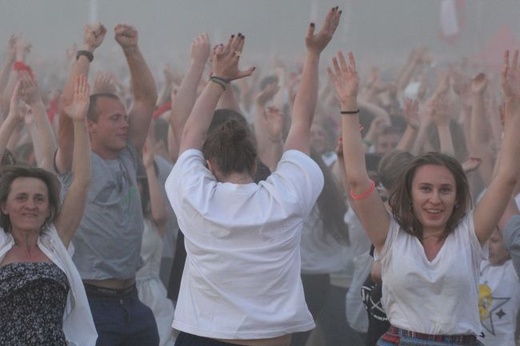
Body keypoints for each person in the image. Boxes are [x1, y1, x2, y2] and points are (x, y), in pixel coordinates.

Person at [165, 7, 341, 345]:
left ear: (210, 164)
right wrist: (313, 53)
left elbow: (189, 131)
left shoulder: (197, 197)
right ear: (255, 159)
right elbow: (302, 120)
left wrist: (217, 78)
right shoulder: (284, 197)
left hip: (203, 336)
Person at [328, 47, 520, 345]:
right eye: (425, 189)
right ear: (410, 194)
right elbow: (356, 179)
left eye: (445, 190)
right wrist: (348, 104)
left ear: (458, 197)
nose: (435, 199)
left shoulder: (470, 235)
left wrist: (512, 103)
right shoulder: (388, 236)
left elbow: (506, 178)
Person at [55, 22, 160, 344]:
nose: (125, 123)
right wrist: (87, 51)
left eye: (124, 118)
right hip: (91, 301)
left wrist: (131, 49)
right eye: (115, 118)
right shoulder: (76, 159)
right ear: (89, 125)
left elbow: (145, 99)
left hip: (132, 296)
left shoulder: (128, 154)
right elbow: (67, 106)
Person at [0, 75, 97, 345]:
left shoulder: (55, 242)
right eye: (21, 198)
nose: (31, 205)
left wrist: (79, 121)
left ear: (48, 207)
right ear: (4, 206)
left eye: (39, 199)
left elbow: (82, 181)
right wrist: (12, 120)